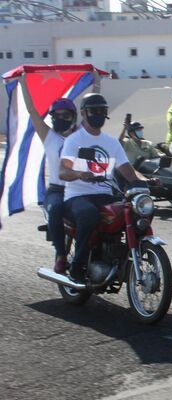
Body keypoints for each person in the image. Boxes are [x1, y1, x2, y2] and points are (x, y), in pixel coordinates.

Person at [59, 93, 149, 283]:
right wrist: (79, 173)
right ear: (83, 113)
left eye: (102, 110)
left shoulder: (111, 142)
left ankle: (122, 257)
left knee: (135, 212)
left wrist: (147, 180)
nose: (98, 114)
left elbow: (128, 171)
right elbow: (62, 172)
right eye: (94, 111)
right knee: (89, 214)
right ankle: (77, 267)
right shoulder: (74, 140)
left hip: (105, 194)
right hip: (78, 196)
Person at [18, 70, 101, 275]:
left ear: (74, 117)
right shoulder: (48, 136)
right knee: (54, 209)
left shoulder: (80, 135)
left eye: (66, 116)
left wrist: (97, 82)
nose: (61, 119)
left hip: (79, 189)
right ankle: (61, 255)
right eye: (57, 116)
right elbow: (32, 111)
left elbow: (91, 107)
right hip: (56, 191)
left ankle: (95, 253)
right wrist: (22, 82)